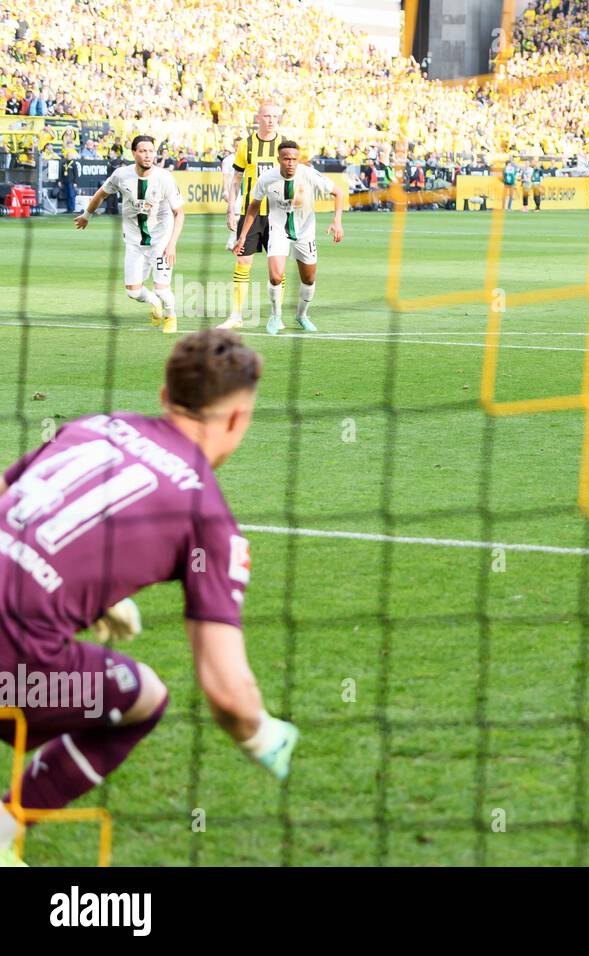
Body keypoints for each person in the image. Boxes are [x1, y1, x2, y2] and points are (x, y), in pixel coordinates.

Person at [0, 330, 300, 867]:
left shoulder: (94, 427)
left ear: (164, 396)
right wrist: (264, 738)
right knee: (145, 699)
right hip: (12, 666)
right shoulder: (207, 518)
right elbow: (227, 693)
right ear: (237, 420)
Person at [75, 134, 185, 335]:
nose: (148, 155)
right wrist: (86, 215)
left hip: (161, 241)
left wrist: (172, 244)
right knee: (132, 291)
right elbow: (101, 193)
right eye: (143, 151)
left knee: (162, 288)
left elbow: (179, 213)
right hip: (134, 242)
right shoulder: (121, 175)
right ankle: (155, 305)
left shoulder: (165, 178)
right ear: (134, 153)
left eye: (151, 151)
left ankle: (171, 315)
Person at [233, 140, 344, 334]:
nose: (291, 163)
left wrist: (337, 221)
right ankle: (275, 317)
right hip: (278, 230)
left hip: (305, 232)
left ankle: (302, 315)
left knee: (309, 278)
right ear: (279, 159)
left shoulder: (308, 174)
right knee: (276, 276)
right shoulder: (267, 178)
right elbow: (253, 206)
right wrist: (242, 236)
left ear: (298, 159)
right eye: (286, 159)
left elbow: (338, 192)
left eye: (294, 159)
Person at [219, 101, 285, 330]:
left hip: (278, 214)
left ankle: (277, 316)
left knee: (277, 269)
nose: (271, 120)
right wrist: (230, 209)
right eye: (267, 116)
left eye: (275, 116)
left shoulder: (284, 145)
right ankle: (236, 315)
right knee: (242, 261)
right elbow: (235, 180)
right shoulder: (246, 146)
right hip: (251, 214)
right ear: (258, 118)